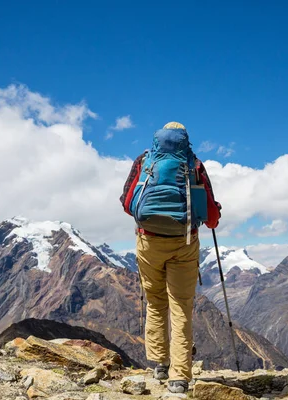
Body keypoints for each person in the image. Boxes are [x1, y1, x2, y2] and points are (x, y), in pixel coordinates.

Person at [120, 121, 221, 393]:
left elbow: (127, 202)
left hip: (149, 241)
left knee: (155, 302)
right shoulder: (194, 165)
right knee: (181, 306)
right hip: (184, 243)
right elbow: (211, 217)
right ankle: (179, 377)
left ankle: (159, 363)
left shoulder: (144, 160)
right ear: (185, 139)